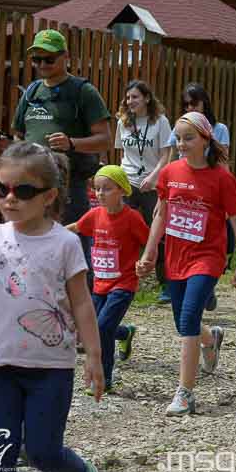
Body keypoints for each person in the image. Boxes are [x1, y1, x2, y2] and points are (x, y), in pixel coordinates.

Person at [0, 142, 102, 472]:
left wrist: (94, 355)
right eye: (2, 189)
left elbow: (82, 302)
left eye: (23, 191)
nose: (10, 198)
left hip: (51, 369)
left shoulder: (65, 243)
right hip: (2, 367)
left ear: (49, 196)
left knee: (43, 453)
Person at [137, 112, 236, 415]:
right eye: (178, 138)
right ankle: (210, 339)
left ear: (205, 140)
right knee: (182, 322)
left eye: (188, 138)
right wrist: (150, 251)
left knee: (188, 317)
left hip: (208, 257)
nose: (181, 144)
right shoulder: (170, 172)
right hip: (176, 257)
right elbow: (161, 213)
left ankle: (185, 393)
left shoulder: (222, 178)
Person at [0, 29, 111, 290]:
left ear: (65, 57)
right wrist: (6, 145)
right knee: (28, 246)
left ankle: (85, 309)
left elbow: (105, 139)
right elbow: (19, 136)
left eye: (49, 59)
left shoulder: (83, 91)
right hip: (29, 186)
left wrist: (72, 143)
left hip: (68, 186)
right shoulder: (32, 92)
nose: (42, 65)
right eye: (37, 59)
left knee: (73, 250)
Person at [66, 166, 149, 393]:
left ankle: (104, 379)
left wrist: (146, 263)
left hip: (123, 284)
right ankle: (124, 333)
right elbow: (76, 227)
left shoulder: (132, 218)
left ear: (122, 190)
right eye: (97, 189)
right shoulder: (95, 215)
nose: (100, 194)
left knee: (101, 328)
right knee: (93, 328)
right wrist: (51, 236)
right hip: (99, 285)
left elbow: (149, 242)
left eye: (107, 189)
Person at [167, 83, 232, 311]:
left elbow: (223, 161)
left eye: (193, 103)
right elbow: (172, 158)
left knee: (208, 239)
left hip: (208, 191)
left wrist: (225, 195)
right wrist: (165, 190)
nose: (189, 108)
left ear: (204, 103)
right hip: (183, 190)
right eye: (185, 104)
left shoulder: (219, 128)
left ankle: (205, 282)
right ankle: (188, 285)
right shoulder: (180, 126)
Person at [115, 80, 172, 302]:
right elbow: (123, 154)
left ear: (147, 98)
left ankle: (166, 284)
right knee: (122, 231)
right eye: (128, 97)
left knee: (158, 234)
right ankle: (123, 280)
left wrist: (154, 176)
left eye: (135, 97)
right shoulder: (123, 122)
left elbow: (166, 154)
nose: (130, 101)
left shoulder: (160, 121)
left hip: (152, 184)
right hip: (128, 183)